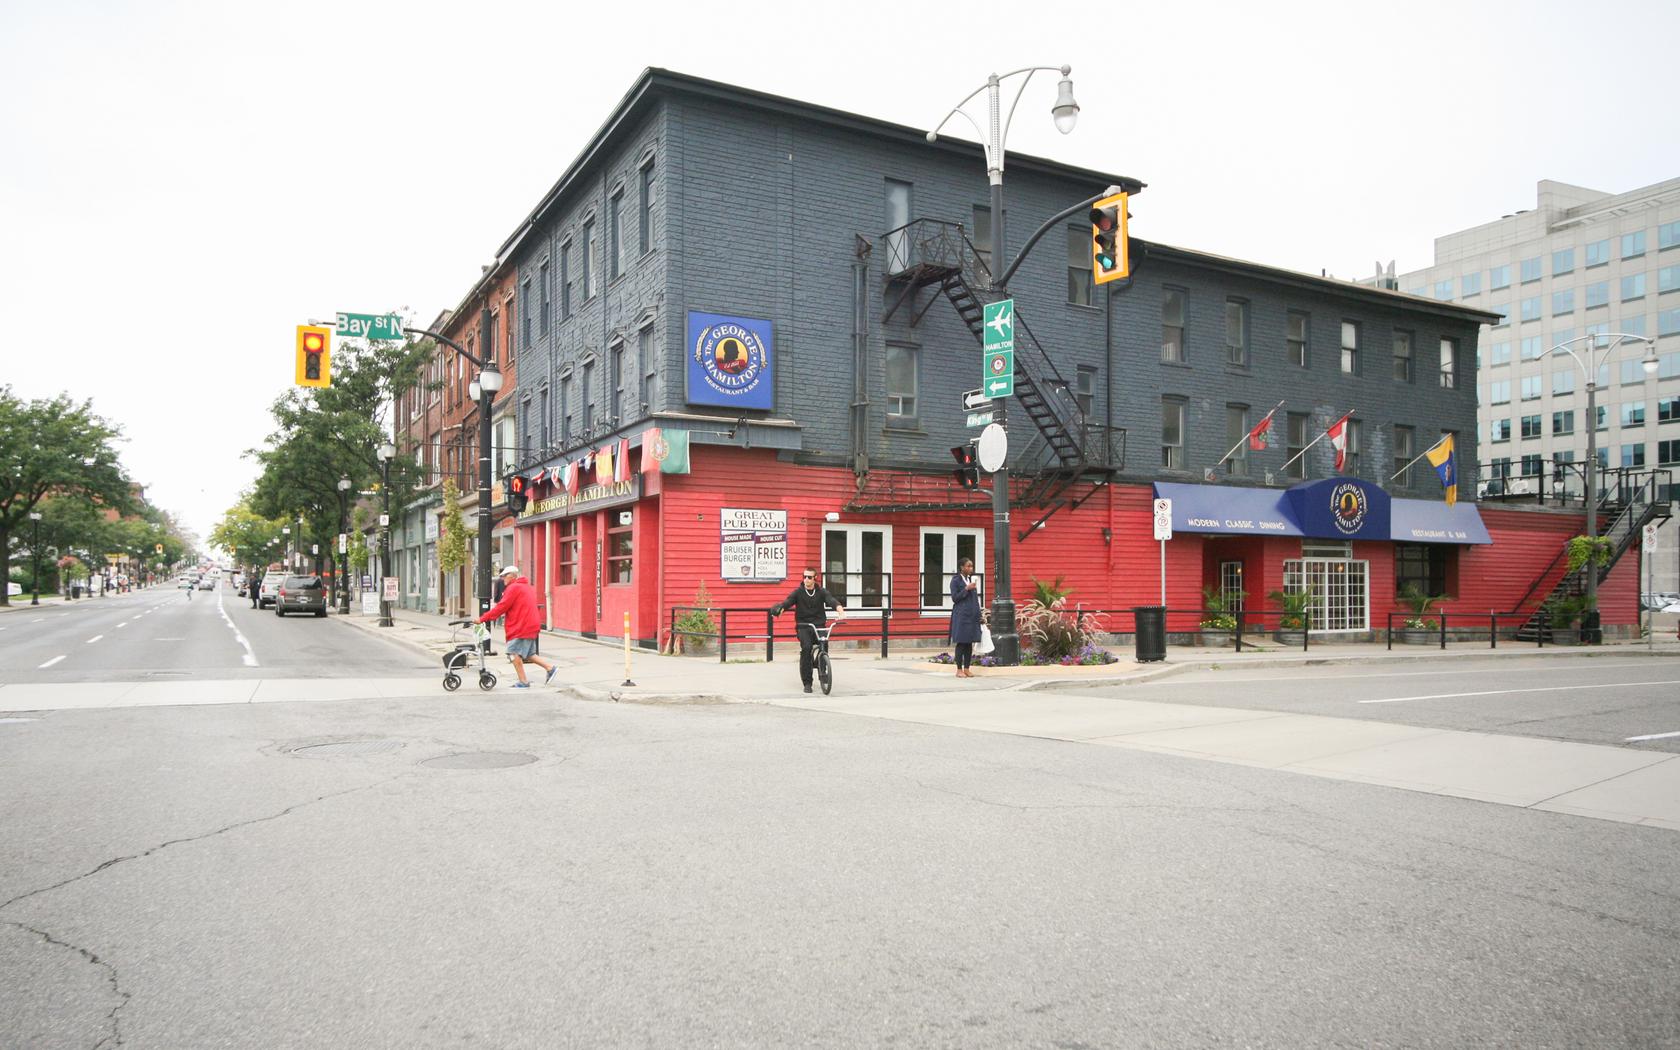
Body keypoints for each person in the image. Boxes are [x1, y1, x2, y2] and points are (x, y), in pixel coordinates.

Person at [477, 564, 557, 689]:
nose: (503, 579)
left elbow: (502, 607)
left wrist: (482, 618)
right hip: (530, 625)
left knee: (513, 653)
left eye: (504, 576)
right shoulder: (525, 586)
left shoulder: (513, 588)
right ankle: (550, 668)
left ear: (512, 576)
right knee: (529, 654)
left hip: (521, 626)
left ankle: (523, 681)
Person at [771, 568, 845, 694]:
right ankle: (807, 682)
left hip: (819, 625)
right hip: (804, 626)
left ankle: (823, 671)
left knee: (824, 644)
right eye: (804, 577)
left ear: (815, 578)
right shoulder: (798, 592)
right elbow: (788, 602)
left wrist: (841, 612)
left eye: (809, 577)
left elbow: (832, 601)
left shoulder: (821, 592)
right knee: (806, 648)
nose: (806, 579)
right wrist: (780, 610)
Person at [949, 557, 982, 678]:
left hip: (972, 616)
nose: (971, 568)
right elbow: (955, 598)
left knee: (969, 643)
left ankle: (967, 669)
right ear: (962, 567)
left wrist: (979, 615)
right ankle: (959, 670)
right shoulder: (956, 580)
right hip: (961, 616)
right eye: (968, 566)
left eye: (972, 566)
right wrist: (966, 589)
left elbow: (975, 600)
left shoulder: (970, 580)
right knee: (961, 643)